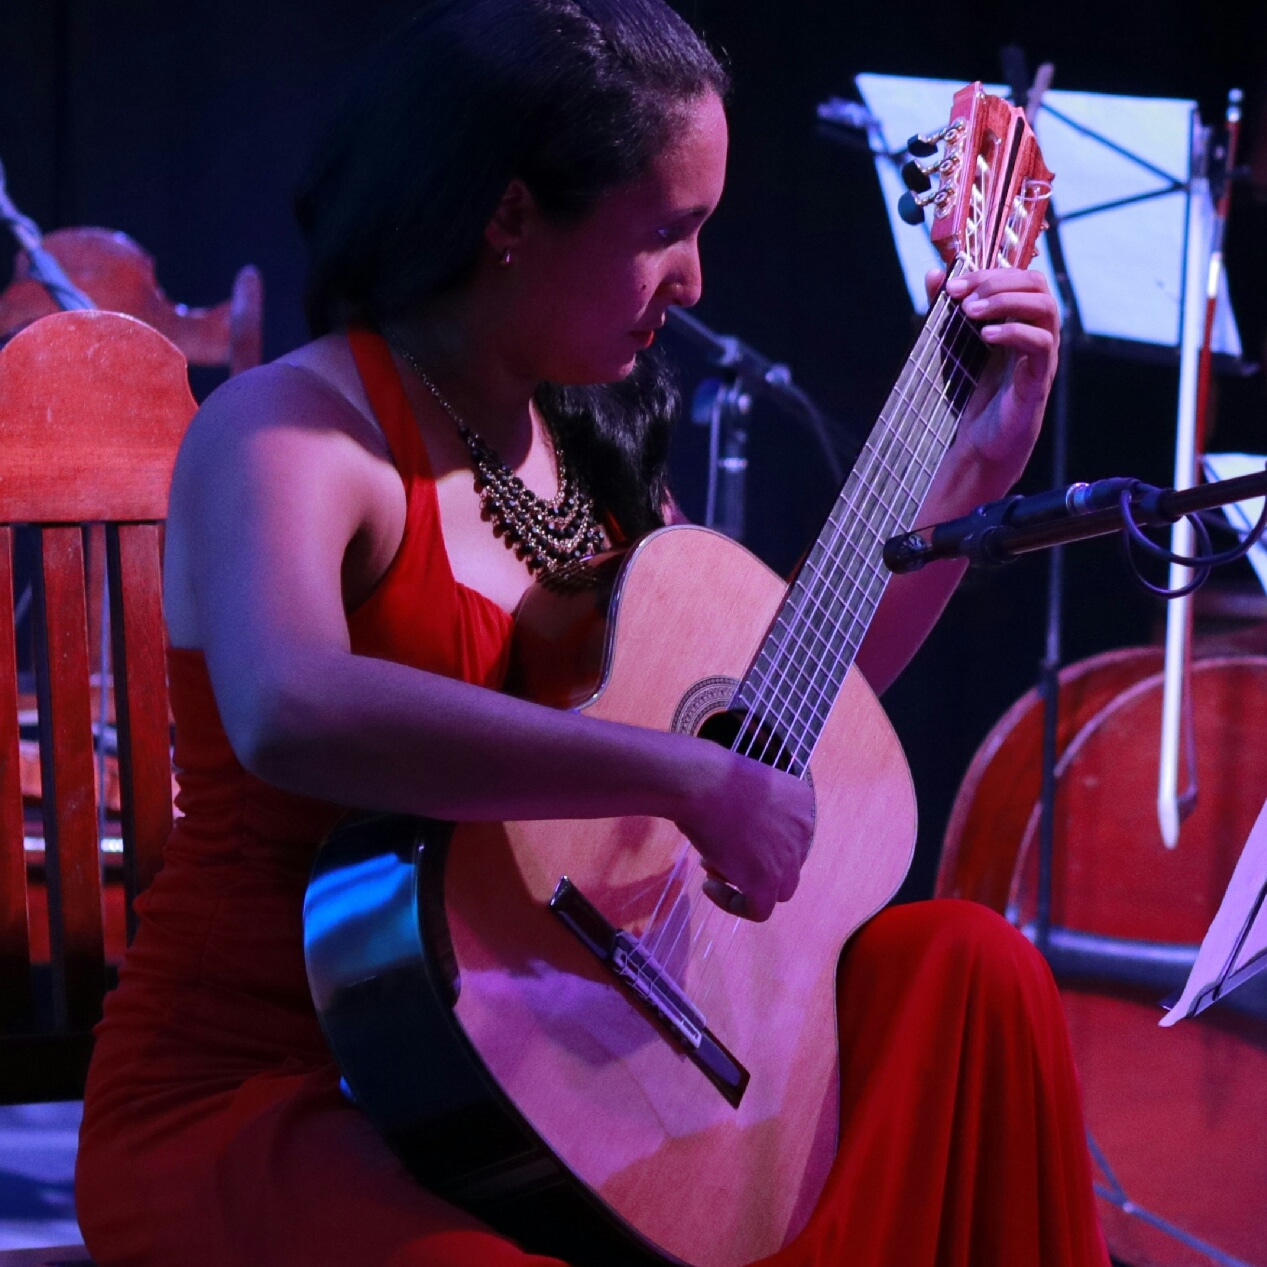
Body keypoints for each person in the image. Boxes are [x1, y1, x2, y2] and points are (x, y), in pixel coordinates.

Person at [75, 1, 1108, 1264]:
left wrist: (970, 472)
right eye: (667, 231)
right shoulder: (288, 432)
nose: (695, 282)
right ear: (511, 218)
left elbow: (785, 715)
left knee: (966, 964)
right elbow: (291, 708)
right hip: (273, 1084)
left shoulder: (586, 450)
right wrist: (680, 774)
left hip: (538, 1048)